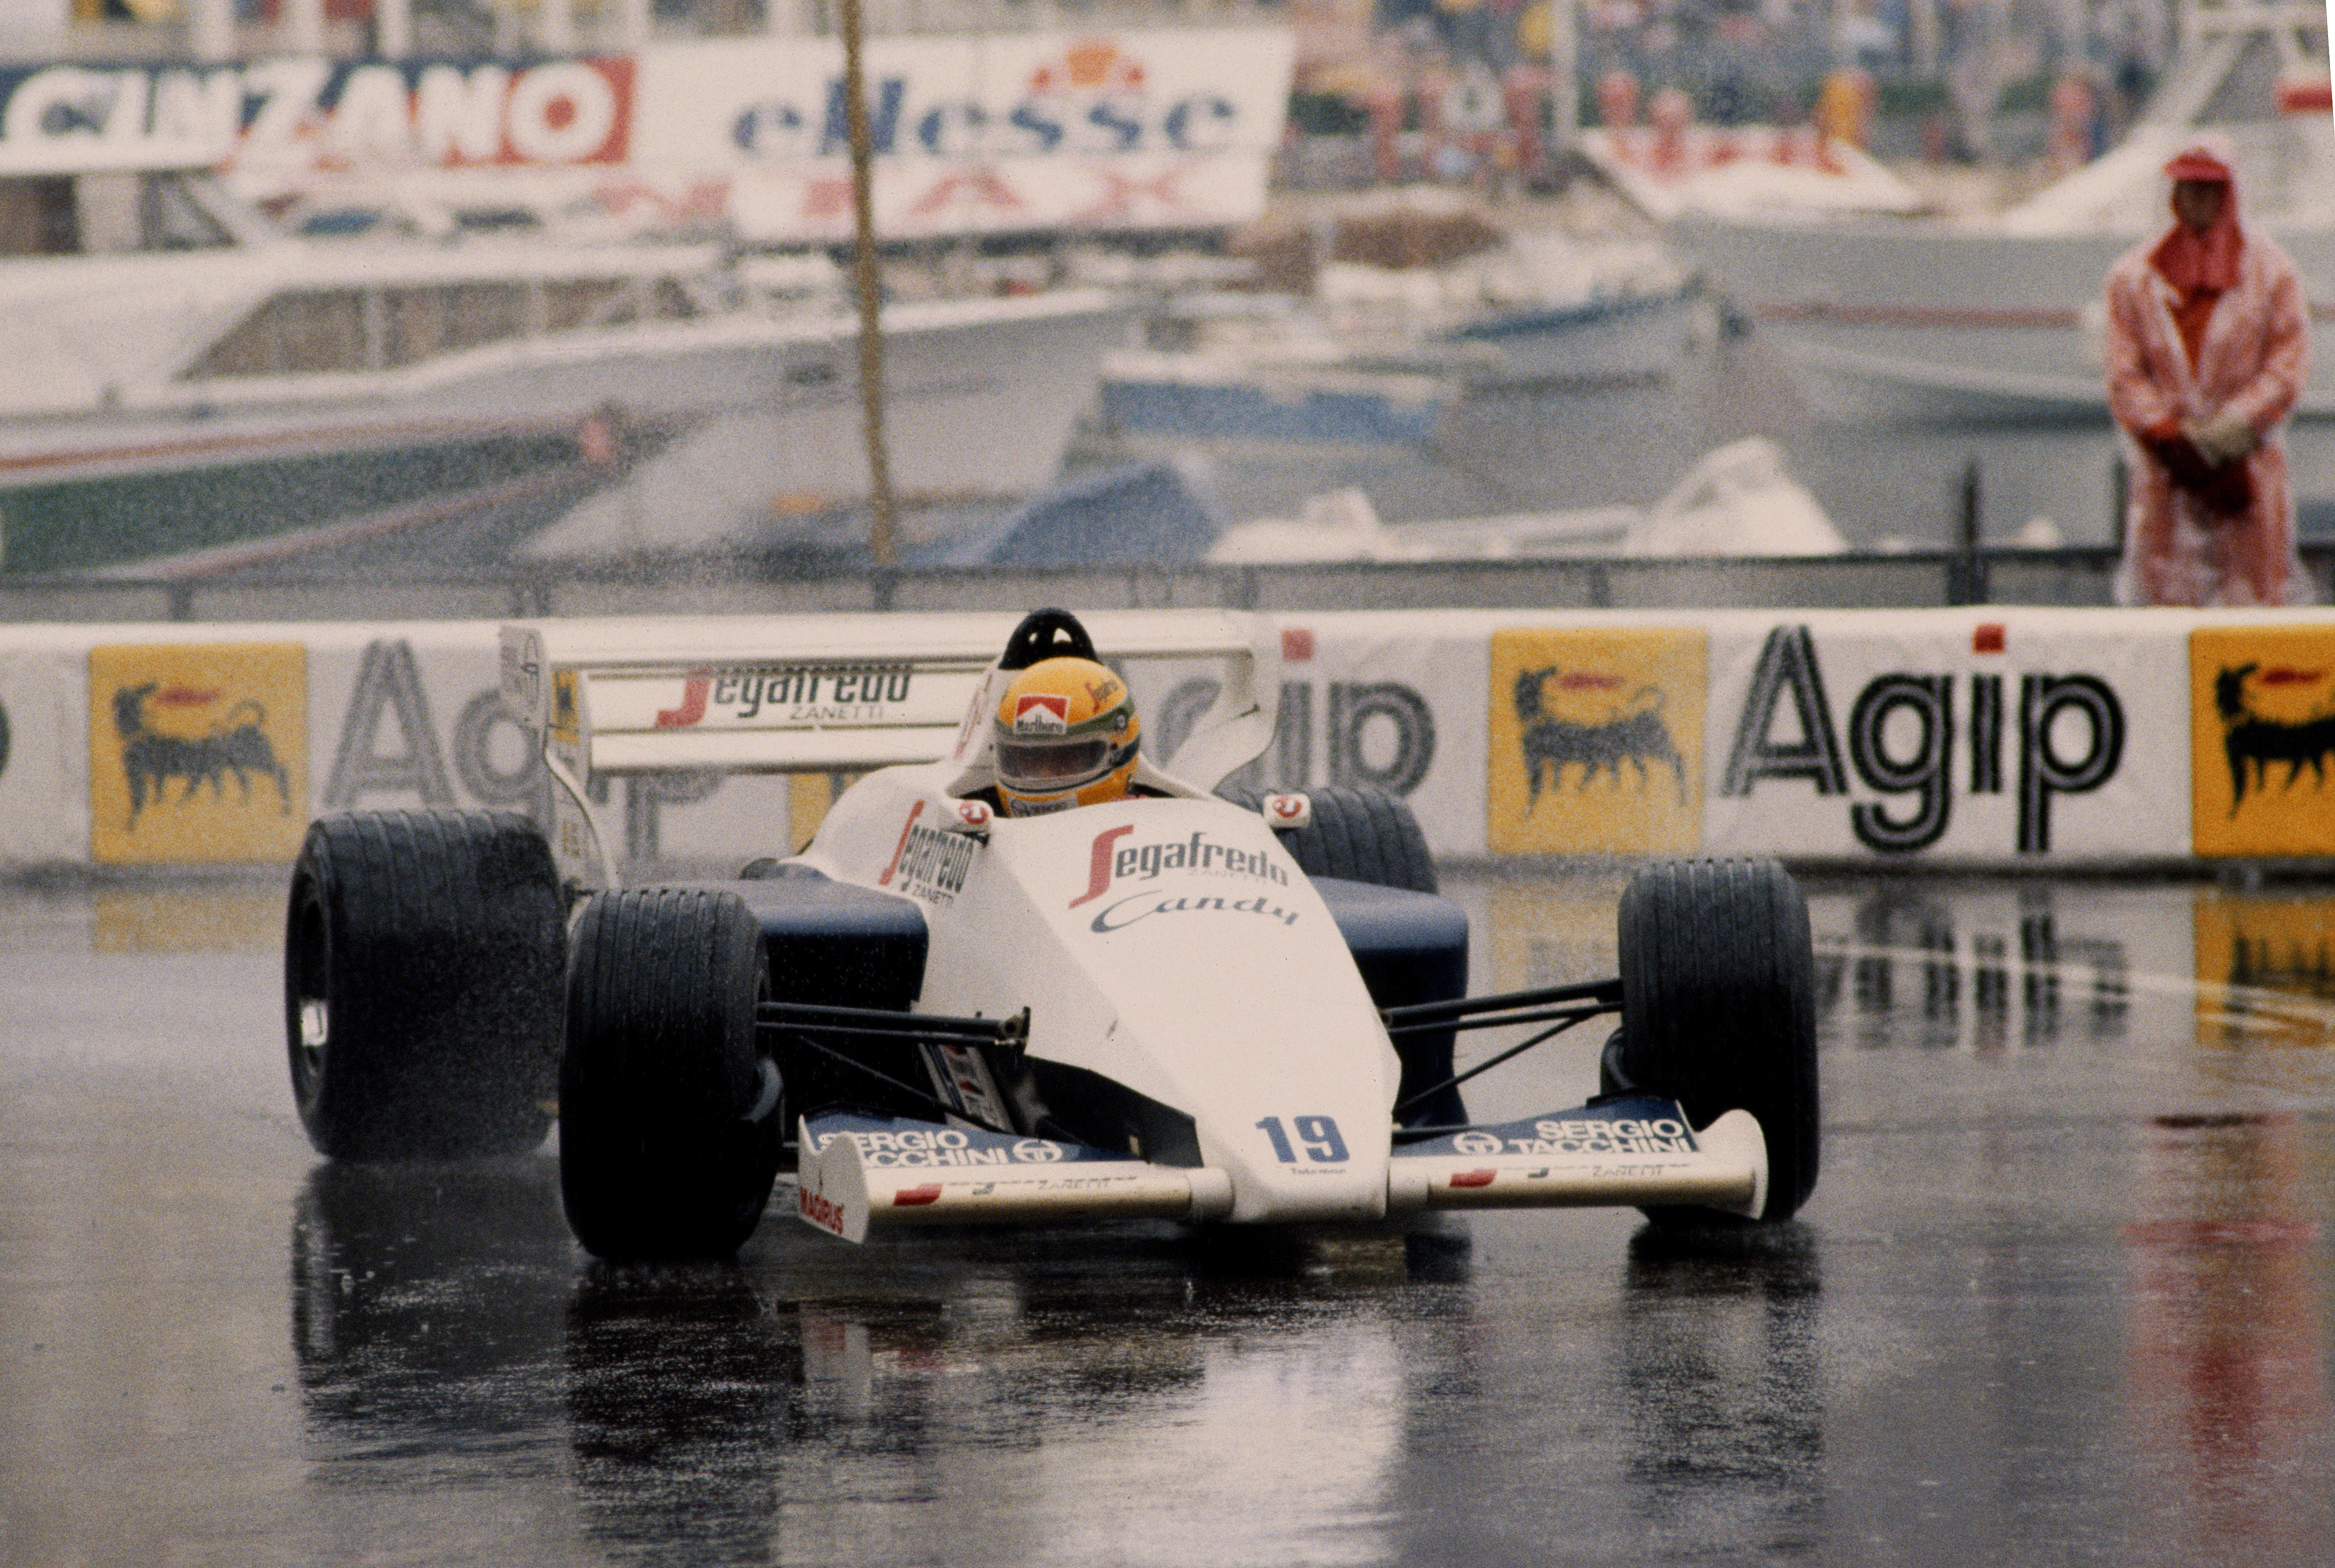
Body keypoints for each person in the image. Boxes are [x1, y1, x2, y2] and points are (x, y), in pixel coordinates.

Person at [2104, 136, 2312, 607]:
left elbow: (2286, 367)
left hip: (2247, 468)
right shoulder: (2133, 278)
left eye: (2210, 188)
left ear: (2230, 193)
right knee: (2166, 601)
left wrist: (2230, 430)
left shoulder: (2273, 273)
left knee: (2255, 598)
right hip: (2166, 468)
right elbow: (2124, 373)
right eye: (2188, 188)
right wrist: (2171, 436)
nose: (2198, 200)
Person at [991, 655, 1143, 817]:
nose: (1045, 775)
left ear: (1117, 752)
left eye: (1066, 758)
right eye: (1031, 757)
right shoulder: (974, 828)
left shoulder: (1155, 828)